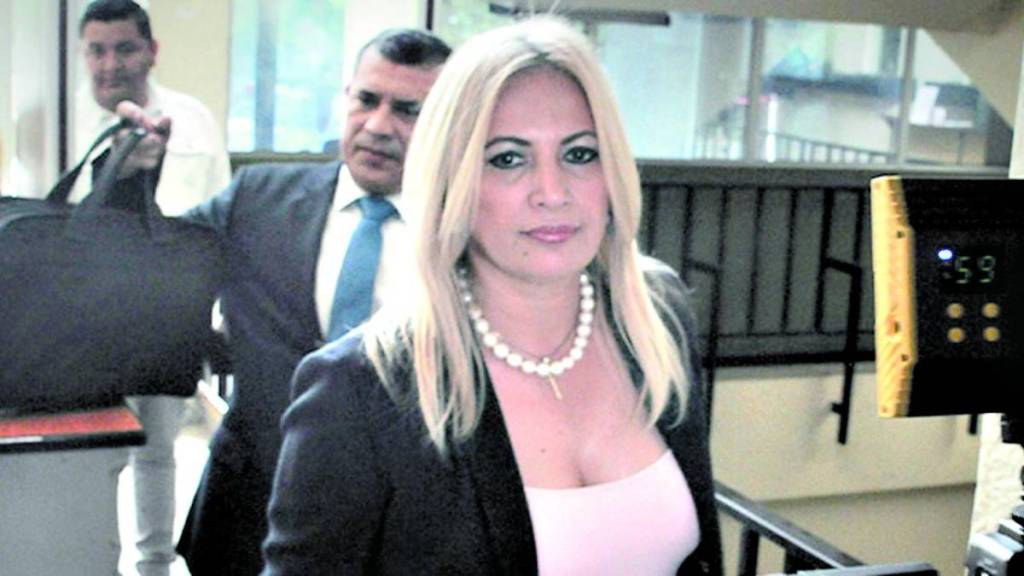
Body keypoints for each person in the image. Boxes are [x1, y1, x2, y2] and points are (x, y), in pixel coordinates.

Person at [262, 16, 723, 575]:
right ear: (452, 180)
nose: (552, 193)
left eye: (580, 154)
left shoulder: (656, 318)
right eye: (508, 158)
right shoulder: (358, 390)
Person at [116, 27, 452, 574]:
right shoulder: (258, 199)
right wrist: (132, 180)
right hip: (247, 516)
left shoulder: (466, 237)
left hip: (395, 529)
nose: (377, 126)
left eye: (407, 111)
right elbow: (151, 262)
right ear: (346, 97)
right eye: (367, 100)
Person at [74, 2, 231, 575]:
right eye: (97, 50)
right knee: (91, 455)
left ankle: (154, 567)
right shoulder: (67, 123)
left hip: (166, 314)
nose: (110, 63)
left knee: (157, 450)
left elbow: (214, 221)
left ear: (151, 51)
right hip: (82, 321)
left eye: (124, 48)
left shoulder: (191, 121)